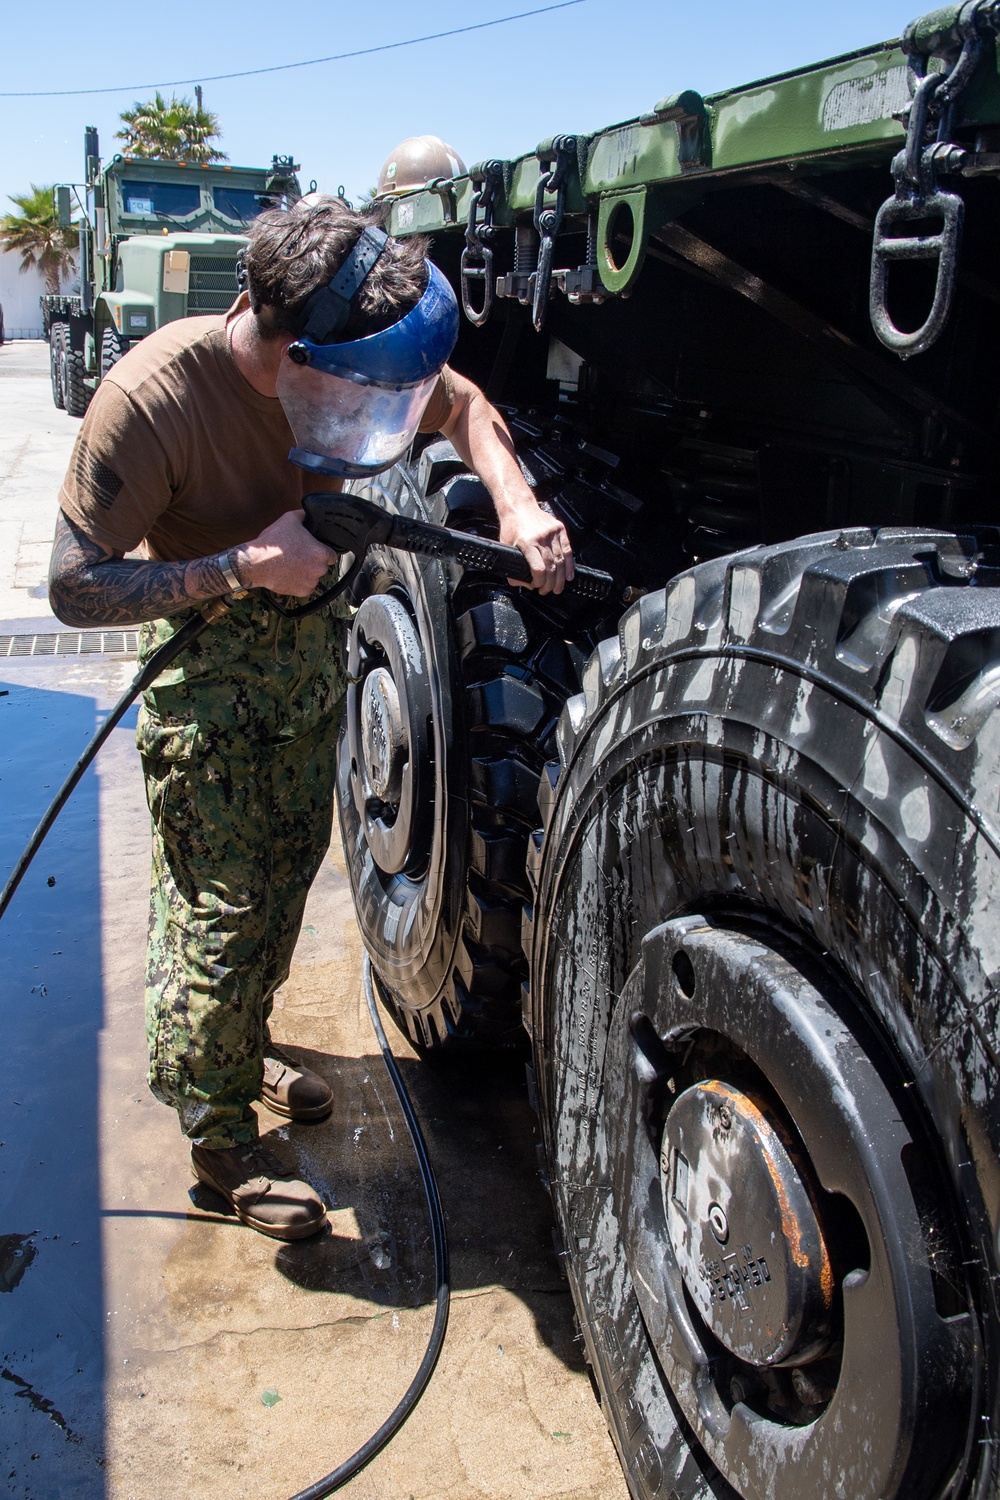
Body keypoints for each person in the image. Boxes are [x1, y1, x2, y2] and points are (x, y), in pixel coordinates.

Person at [48, 195, 574, 1242]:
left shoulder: (355, 353)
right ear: (284, 345)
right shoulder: (152, 399)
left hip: (311, 654)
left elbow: (459, 403)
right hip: (212, 664)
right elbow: (75, 587)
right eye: (345, 386)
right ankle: (218, 1135)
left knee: (289, 875)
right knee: (222, 911)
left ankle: (242, 1042)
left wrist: (515, 503)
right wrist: (242, 565)